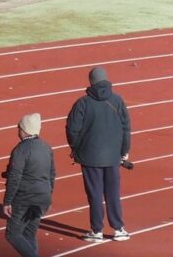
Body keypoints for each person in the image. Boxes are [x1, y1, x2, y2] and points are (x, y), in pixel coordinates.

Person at [65, 65, 133, 243]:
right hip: (112, 157)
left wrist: (76, 148)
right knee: (113, 192)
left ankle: (97, 230)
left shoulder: (82, 103)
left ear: (91, 81)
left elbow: (72, 129)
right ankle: (119, 229)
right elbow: (126, 128)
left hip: (89, 156)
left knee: (94, 194)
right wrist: (124, 151)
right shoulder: (117, 100)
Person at [3, 112, 56, 257]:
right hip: (42, 197)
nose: (17, 130)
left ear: (25, 130)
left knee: (12, 234)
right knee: (29, 233)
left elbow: (15, 178)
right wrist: (48, 196)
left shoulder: (21, 150)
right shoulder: (46, 148)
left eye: (19, 127)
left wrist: (7, 201)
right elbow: (52, 175)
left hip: (25, 197)